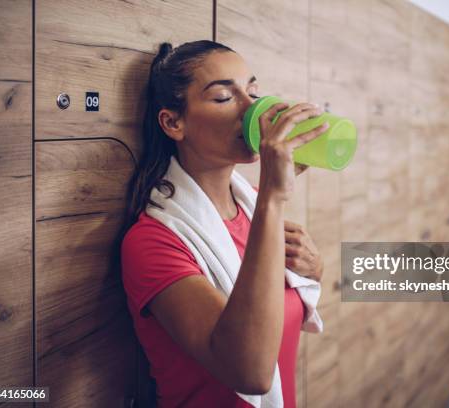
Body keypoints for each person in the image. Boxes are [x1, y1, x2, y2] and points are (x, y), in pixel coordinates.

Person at [120, 40, 325, 407]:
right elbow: (251, 373)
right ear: (173, 122)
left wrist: (315, 268)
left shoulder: (253, 208)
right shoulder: (151, 242)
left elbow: (282, 300)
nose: (252, 110)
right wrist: (273, 200)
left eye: (253, 92)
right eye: (223, 98)